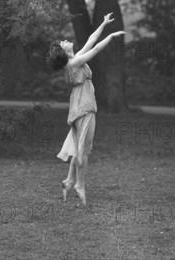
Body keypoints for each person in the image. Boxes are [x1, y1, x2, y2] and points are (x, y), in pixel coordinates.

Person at [48, 12, 125, 206]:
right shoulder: (74, 63)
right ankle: (79, 185)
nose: (66, 40)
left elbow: (91, 40)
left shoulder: (74, 59)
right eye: (63, 42)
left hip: (80, 105)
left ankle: (69, 180)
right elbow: (97, 48)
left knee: (78, 147)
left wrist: (103, 24)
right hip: (84, 106)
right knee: (83, 150)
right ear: (64, 52)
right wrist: (111, 36)